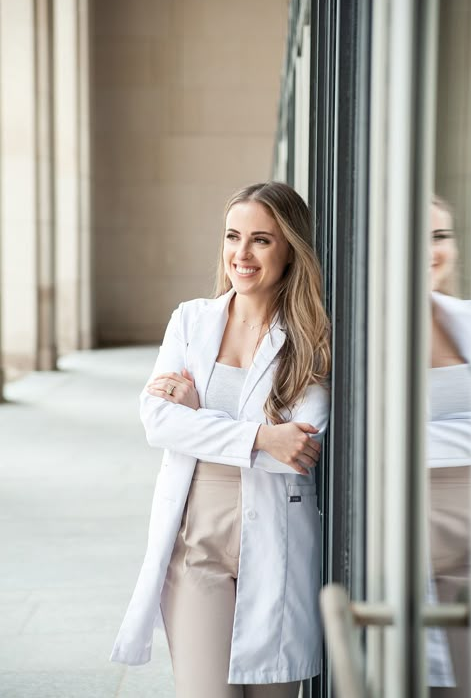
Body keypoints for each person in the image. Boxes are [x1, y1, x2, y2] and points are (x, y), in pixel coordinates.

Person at [110, 181, 331, 697]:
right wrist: (260, 436)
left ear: (290, 250)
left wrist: (201, 417)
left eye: (261, 240)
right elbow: (157, 421)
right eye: (233, 237)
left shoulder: (314, 337)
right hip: (197, 546)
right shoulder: (191, 321)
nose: (242, 254)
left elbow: (299, 449)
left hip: (277, 543)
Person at [428, 196, 471, 697]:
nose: (430, 250)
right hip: (399, 542)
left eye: (439, 236)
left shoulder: (466, 319)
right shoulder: (357, 328)